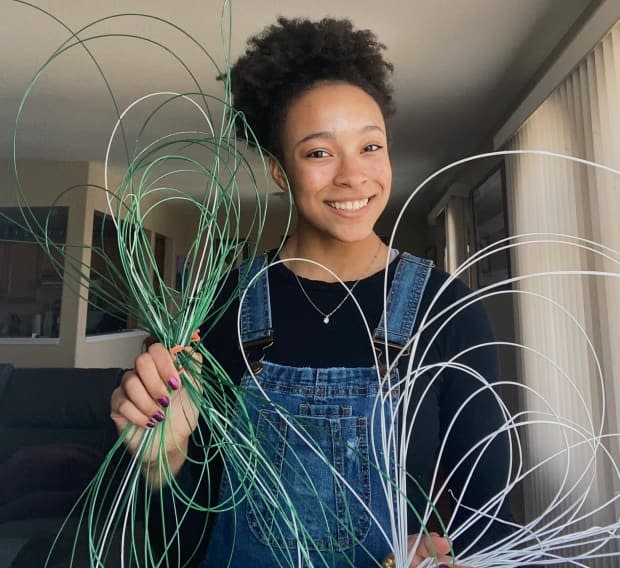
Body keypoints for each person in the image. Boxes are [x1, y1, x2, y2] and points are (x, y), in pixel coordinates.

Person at [110, 16, 513, 567]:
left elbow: (493, 521)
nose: (353, 176)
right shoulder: (214, 309)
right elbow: (168, 540)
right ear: (280, 170)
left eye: (370, 147)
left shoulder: (448, 310)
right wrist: (165, 460)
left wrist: (449, 556)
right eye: (320, 153)